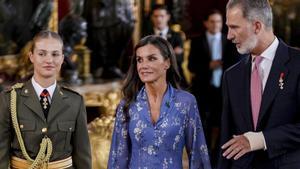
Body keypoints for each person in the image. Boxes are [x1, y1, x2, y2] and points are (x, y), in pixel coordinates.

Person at [108, 35, 211, 169]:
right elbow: (118, 158)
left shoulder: (186, 102)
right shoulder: (127, 105)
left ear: (167, 63)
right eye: (140, 60)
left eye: (151, 58)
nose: (144, 65)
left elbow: (198, 155)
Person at [218, 0, 300, 169]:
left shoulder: (297, 64)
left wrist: (261, 139)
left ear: (256, 26)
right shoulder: (231, 75)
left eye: (234, 27)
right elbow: (226, 140)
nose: (229, 35)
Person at [0, 30, 91, 168]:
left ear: (62, 58)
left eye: (55, 54)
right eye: (42, 54)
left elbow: (83, 157)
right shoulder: (10, 100)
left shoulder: (75, 102)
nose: (49, 60)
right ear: (31, 56)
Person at [188, 9, 239, 165]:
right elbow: (191, 66)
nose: (216, 24)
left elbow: (237, 65)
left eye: (218, 21)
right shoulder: (197, 41)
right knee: (203, 123)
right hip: (203, 89)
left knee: (222, 123)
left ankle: (218, 156)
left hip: (223, 90)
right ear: (205, 23)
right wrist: (208, 66)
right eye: (212, 21)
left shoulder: (229, 40)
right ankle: (203, 156)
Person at [144, 4, 187, 87]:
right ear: (152, 18)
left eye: (162, 16)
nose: (159, 19)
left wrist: (154, 57)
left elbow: (179, 60)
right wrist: (171, 53)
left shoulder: (177, 36)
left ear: (168, 17)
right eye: (156, 16)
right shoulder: (146, 37)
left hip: (174, 79)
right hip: (151, 79)